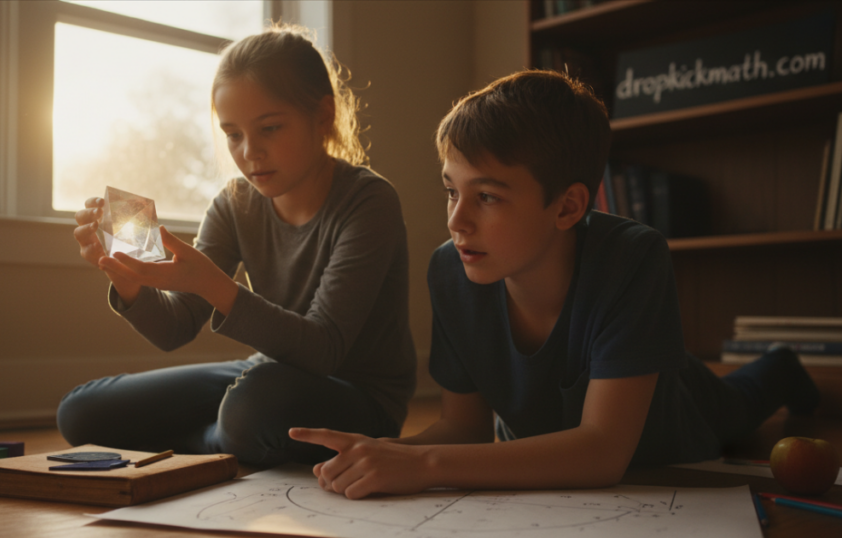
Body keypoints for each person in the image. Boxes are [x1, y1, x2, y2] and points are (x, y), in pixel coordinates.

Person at [290, 70, 820, 498]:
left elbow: (603, 451)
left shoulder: (634, 255)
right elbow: (464, 427)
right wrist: (388, 453)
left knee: (744, 399)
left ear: (567, 206)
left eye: (488, 197)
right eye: (452, 191)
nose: (457, 221)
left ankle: (782, 363)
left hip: (682, 419)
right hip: (564, 431)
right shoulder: (451, 270)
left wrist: (425, 463)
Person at [57, 25, 416, 467]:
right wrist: (129, 278)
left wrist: (212, 284)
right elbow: (175, 328)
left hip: (355, 396)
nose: (249, 153)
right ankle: (222, 443)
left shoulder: (368, 200)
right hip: (265, 374)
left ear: (322, 117)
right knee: (81, 412)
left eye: (269, 128)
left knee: (254, 405)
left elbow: (325, 349)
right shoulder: (235, 203)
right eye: (233, 134)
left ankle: (212, 444)